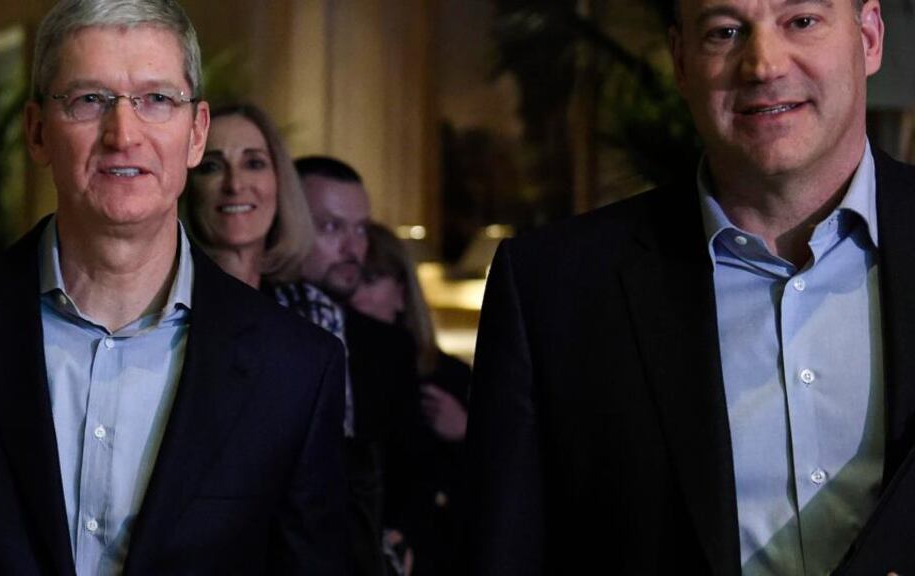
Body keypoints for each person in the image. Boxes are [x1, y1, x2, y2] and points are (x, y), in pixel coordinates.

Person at [0, 1, 347, 574]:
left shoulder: (296, 369)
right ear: (37, 131)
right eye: (89, 100)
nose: (123, 134)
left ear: (196, 133)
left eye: (156, 99)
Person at [467, 0, 915, 574]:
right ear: (681, 61)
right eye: (724, 32)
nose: (763, 65)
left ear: (869, 36)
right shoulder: (552, 289)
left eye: (801, 21)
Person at [273, 156, 419, 576]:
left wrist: (401, 533)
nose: (354, 248)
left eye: (361, 229)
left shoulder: (389, 347)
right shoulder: (249, 324)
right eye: (331, 227)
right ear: (288, 224)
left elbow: (411, 468)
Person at [351, 222, 469, 575]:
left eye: (370, 280)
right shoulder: (336, 370)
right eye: (352, 279)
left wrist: (465, 433)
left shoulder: (449, 376)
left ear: (401, 291)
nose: (355, 295)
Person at [183, 103, 314, 288]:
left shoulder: (308, 303)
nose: (234, 185)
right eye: (212, 167)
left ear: (280, 180)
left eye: (253, 164)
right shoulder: (159, 299)